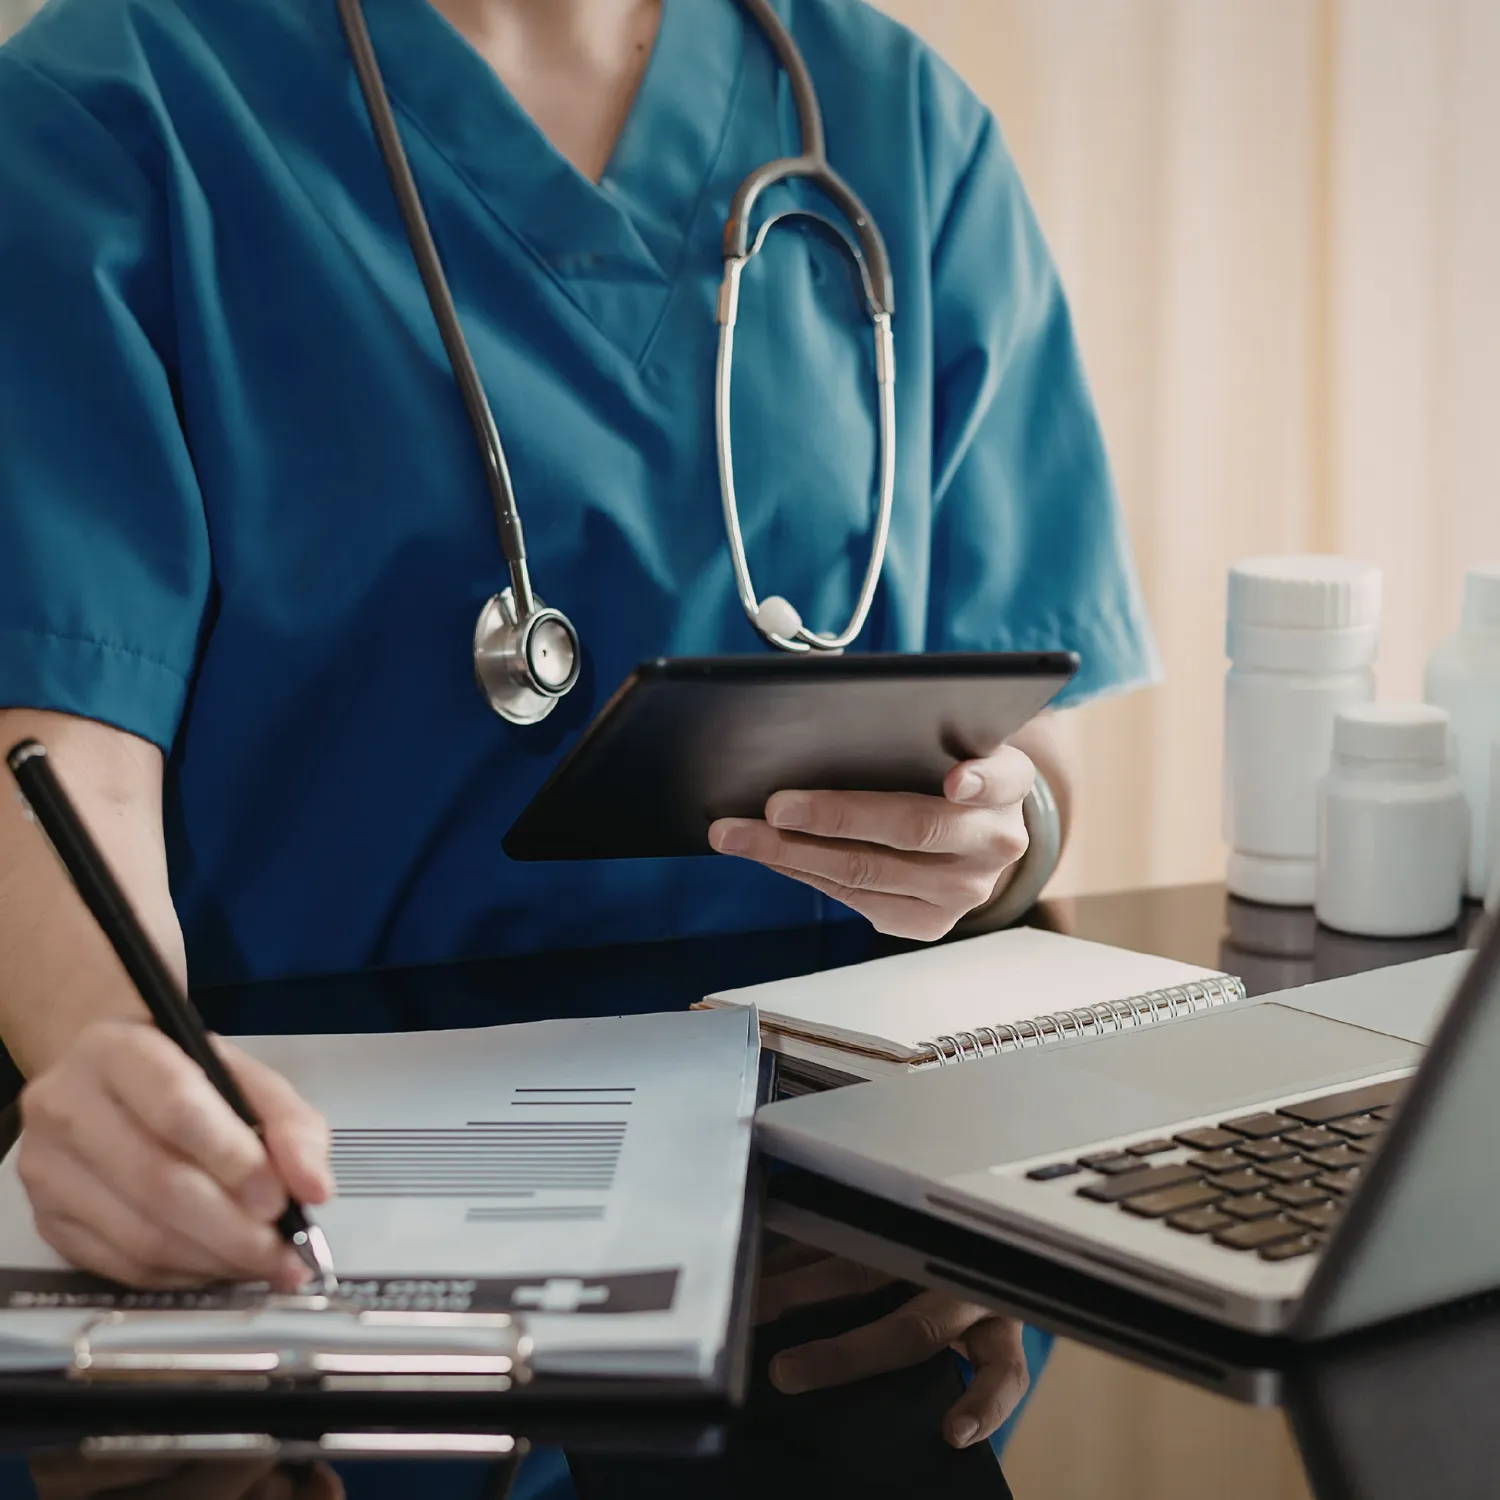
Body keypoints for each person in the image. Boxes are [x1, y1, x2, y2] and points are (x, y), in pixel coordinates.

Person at [0, 0, 1158, 1473]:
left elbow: (1030, 731)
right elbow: (57, 724)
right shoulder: (118, 102)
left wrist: (1003, 837)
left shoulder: (892, 113)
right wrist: (108, 1058)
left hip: (843, 1242)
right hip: (329, 1213)